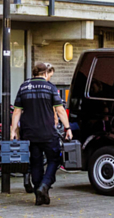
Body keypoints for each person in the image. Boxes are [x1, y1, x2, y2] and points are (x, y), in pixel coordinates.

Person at [12, 62, 71, 206]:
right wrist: (67, 127)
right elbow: (60, 110)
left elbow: (17, 111)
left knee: (35, 162)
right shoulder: (50, 87)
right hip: (47, 132)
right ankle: (44, 185)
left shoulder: (23, 87)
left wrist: (13, 130)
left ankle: (39, 195)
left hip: (29, 133)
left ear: (33, 73)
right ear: (45, 73)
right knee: (55, 159)